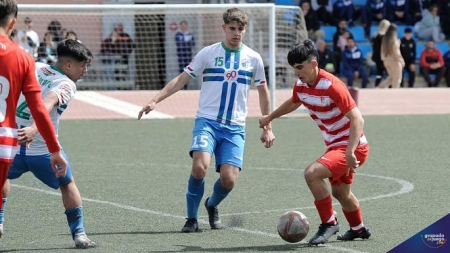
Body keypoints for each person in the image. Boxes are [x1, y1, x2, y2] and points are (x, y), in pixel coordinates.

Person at [138, 7, 275, 233]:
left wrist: (267, 127)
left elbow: (263, 92)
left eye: (240, 29)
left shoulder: (254, 59)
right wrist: (155, 100)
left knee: (229, 180)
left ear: (245, 30)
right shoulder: (208, 53)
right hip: (207, 122)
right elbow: (182, 79)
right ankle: (191, 219)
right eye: (232, 28)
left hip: (235, 128)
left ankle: (211, 205)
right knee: (200, 167)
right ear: (224, 28)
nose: (236, 33)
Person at [259, 40, 371, 246]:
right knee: (340, 193)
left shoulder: (332, 85)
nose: (296, 73)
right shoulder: (301, 85)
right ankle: (359, 229)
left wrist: (350, 151)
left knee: (312, 173)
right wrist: (270, 117)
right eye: (294, 68)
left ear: (313, 63)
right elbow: (294, 101)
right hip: (336, 146)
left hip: (353, 147)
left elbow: (358, 119)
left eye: (300, 67)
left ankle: (329, 223)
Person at [0, 39, 95, 248]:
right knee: (67, 184)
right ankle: (79, 234)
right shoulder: (66, 84)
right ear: (69, 65)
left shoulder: (35, 66)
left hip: (11, 143)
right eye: (82, 66)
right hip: (43, 150)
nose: (85, 70)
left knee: (2, 176)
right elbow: (47, 102)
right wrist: (35, 127)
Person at [0, 0, 68, 236]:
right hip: (5, 139)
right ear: (13, 23)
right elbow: (39, 109)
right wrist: (55, 148)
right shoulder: (23, 58)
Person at [378, 24, 405, 89]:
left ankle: (380, 87)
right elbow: (396, 52)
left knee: (391, 79)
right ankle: (395, 94)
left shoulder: (384, 39)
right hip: (394, 61)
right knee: (397, 80)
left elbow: (382, 51)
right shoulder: (394, 40)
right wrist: (401, 60)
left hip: (386, 61)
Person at [175, 20, 195, 89]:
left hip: (188, 56)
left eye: (184, 25)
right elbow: (178, 44)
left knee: (187, 71)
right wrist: (186, 43)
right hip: (181, 56)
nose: (183, 27)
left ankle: (186, 86)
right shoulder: (178, 34)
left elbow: (192, 44)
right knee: (181, 70)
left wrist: (184, 43)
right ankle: (181, 86)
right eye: (182, 25)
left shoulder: (190, 35)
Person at [370, 19, 390, 87]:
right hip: (382, 57)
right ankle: (389, 87)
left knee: (379, 73)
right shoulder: (384, 36)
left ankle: (377, 86)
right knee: (388, 73)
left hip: (376, 57)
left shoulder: (375, 35)